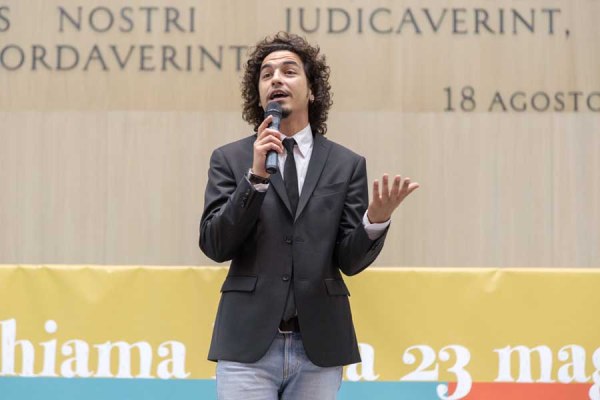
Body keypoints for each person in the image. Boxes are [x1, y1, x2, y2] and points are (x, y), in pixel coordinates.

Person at [199, 32, 419, 400]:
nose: (276, 79)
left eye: (289, 71)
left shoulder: (346, 164)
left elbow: (349, 261)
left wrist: (374, 221)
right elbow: (214, 244)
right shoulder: (231, 159)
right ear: (259, 94)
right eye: (267, 75)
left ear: (312, 90)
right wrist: (254, 179)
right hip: (247, 343)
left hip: (319, 345)